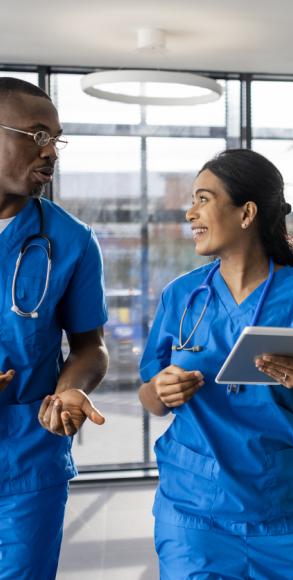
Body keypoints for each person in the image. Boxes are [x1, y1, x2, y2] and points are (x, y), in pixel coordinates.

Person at [139, 148, 293, 579]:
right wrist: (160, 390)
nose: (189, 213)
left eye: (203, 199)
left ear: (246, 212)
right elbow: (150, 395)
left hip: (284, 510)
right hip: (194, 512)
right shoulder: (182, 296)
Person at [0, 77, 109, 579]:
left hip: (29, 454)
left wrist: (70, 391)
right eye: (37, 135)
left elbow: (91, 346)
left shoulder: (71, 240)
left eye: (56, 140)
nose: (51, 153)